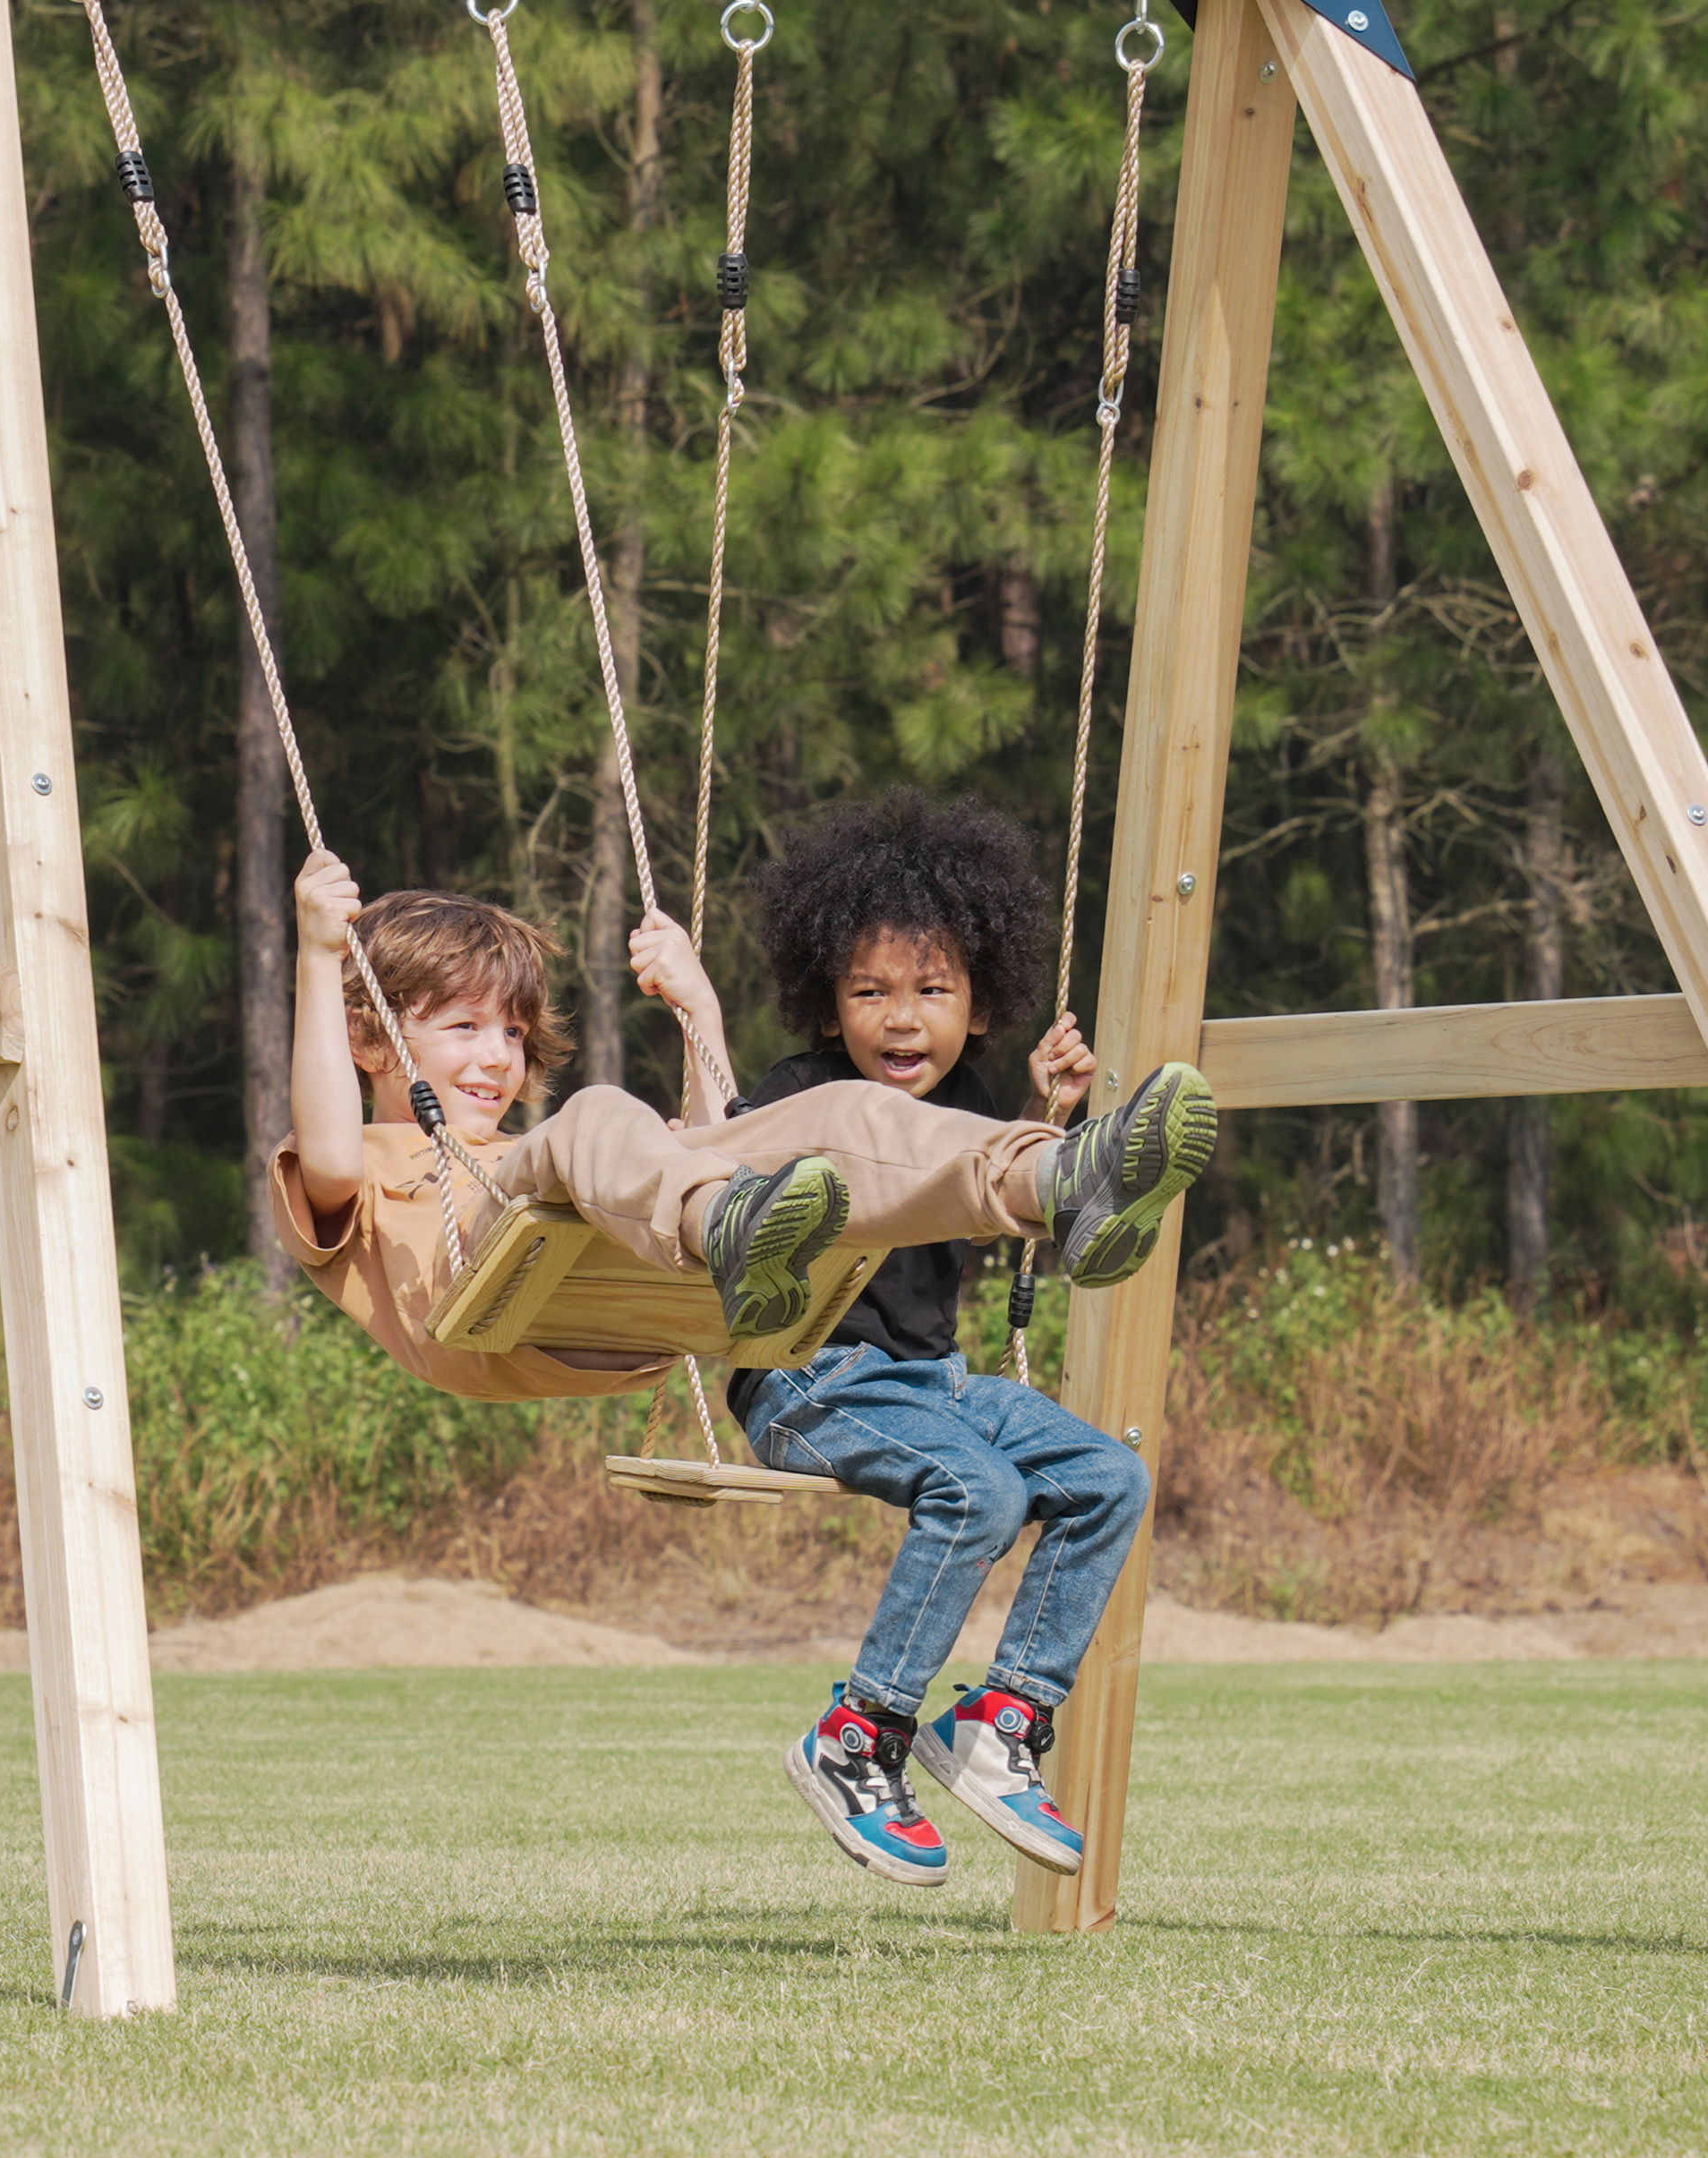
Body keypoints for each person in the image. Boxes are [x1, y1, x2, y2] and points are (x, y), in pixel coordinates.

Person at [268, 850, 1213, 1625]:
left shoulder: (548, 1149)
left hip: (620, 1309)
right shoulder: (370, 1160)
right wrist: (317, 958)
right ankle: (729, 1228)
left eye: (512, 1033)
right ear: (372, 1039)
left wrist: (698, 1012)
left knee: (839, 1109)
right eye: (464, 1026)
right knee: (599, 1114)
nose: (496, 1056)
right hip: (474, 1294)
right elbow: (331, 1153)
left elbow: (719, 1138)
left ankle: (1053, 1183)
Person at [706, 790, 1191, 1889]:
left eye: (932, 990)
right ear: (827, 1006)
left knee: (1109, 1476)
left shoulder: (973, 1098)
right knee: (979, 1491)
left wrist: (1047, 1123)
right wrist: (693, 1005)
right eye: (869, 992)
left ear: (980, 1007)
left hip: (932, 1382)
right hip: (808, 1382)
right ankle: (858, 1737)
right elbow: (712, 1168)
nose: (900, 1018)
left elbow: (977, 1177)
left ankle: (1002, 1717)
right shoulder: (799, 1095)